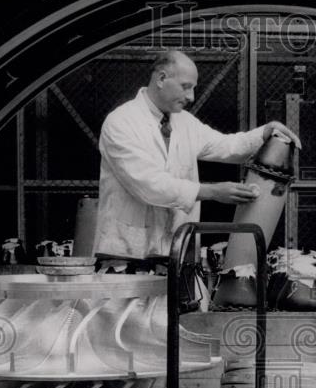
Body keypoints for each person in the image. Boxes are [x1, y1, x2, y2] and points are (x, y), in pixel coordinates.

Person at [93, 49, 300, 265]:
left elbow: (225, 145)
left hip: (175, 254)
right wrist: (212, 192)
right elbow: (148, 184)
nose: (191, 97)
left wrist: (264, 132)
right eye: (186, 87)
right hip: (127, 254)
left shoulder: (184, 122)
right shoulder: (121, 122)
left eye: (193, 88)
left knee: (176, 298)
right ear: (162, 79)